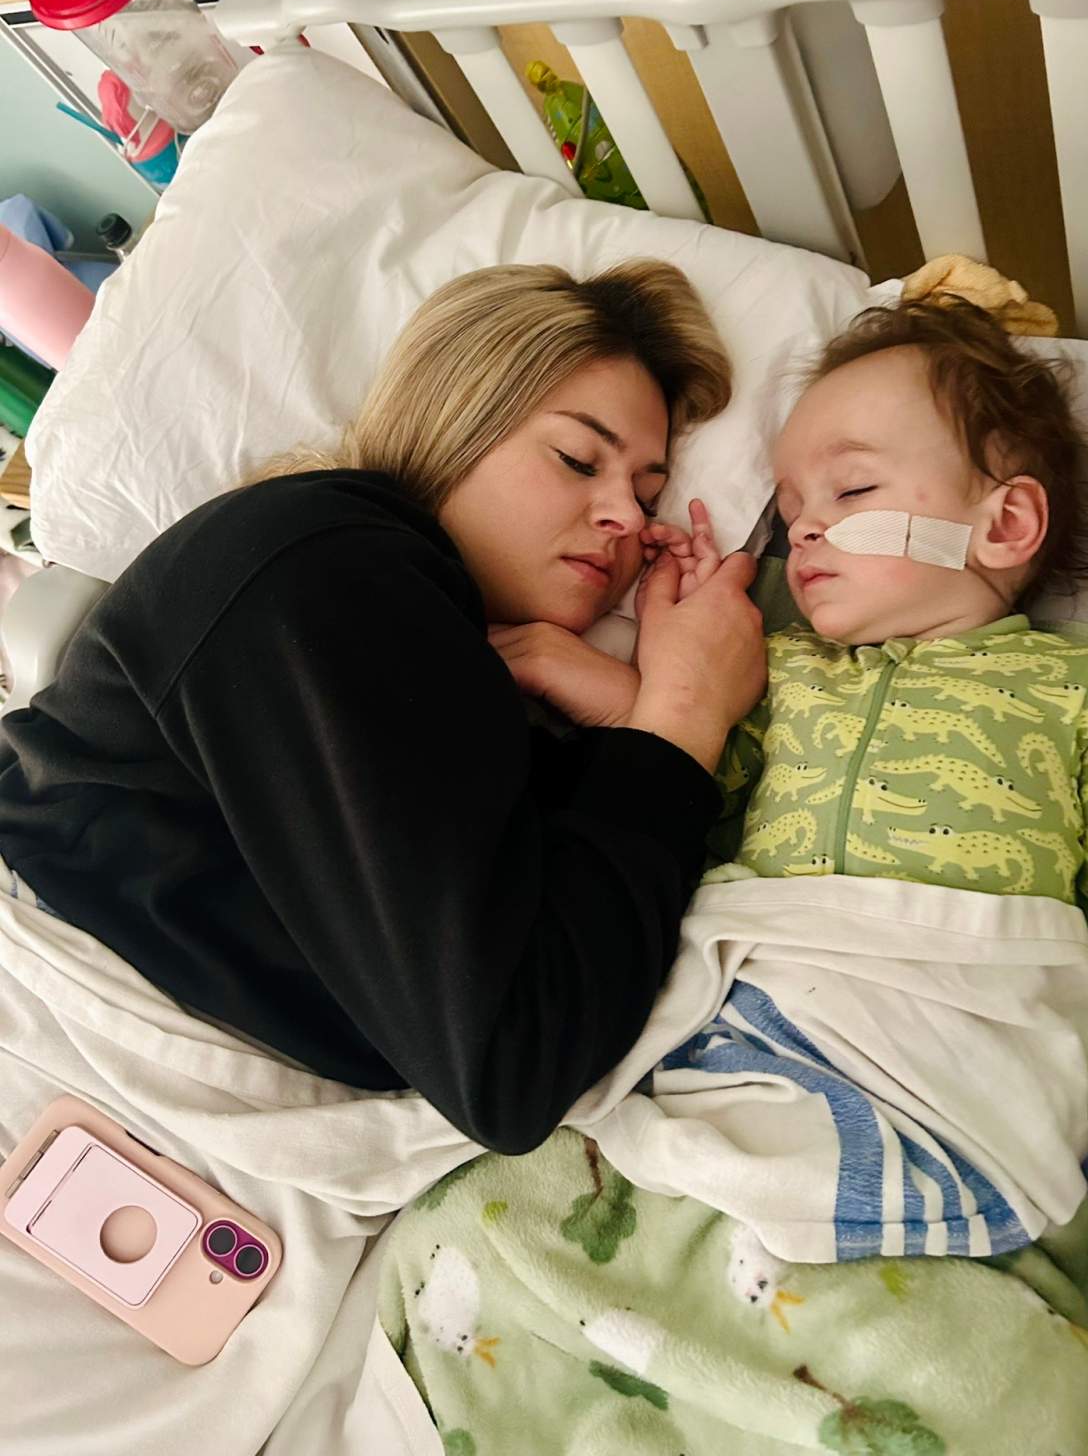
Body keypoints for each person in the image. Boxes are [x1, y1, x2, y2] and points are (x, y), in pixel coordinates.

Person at [0, 261, 765, 1154]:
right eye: (576, 459)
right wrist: (680, 713)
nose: (628, 522)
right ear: (454, 418)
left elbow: (551, 912)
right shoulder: (319, 566)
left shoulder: (443, 645)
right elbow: (517, 1061)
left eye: (645, 494)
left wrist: (629, 708)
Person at [665, 297, 1088, 959]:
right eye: (789, 509)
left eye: (853, 489)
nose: (800, 530)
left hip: (959, 999)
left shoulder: (1081, 688)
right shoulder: (776, 666)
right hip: (765, 977)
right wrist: (670, 649)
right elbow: (678, 792)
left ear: (1003, 527)